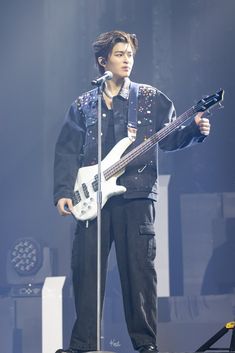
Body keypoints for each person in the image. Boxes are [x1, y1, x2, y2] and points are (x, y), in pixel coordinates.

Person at [54, 30, 210, 353]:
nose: (127, 60)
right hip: (91, 199)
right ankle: (82, 345)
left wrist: (194, 130)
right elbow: (67, 149)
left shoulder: (150, 97)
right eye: (120, 54)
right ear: (102, 61)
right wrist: (62, 191)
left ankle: (145, 345)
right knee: (86, 272)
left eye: (130, 55)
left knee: (139, 274)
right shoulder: (85, 104)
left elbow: (169, 135)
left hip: (136, 197)